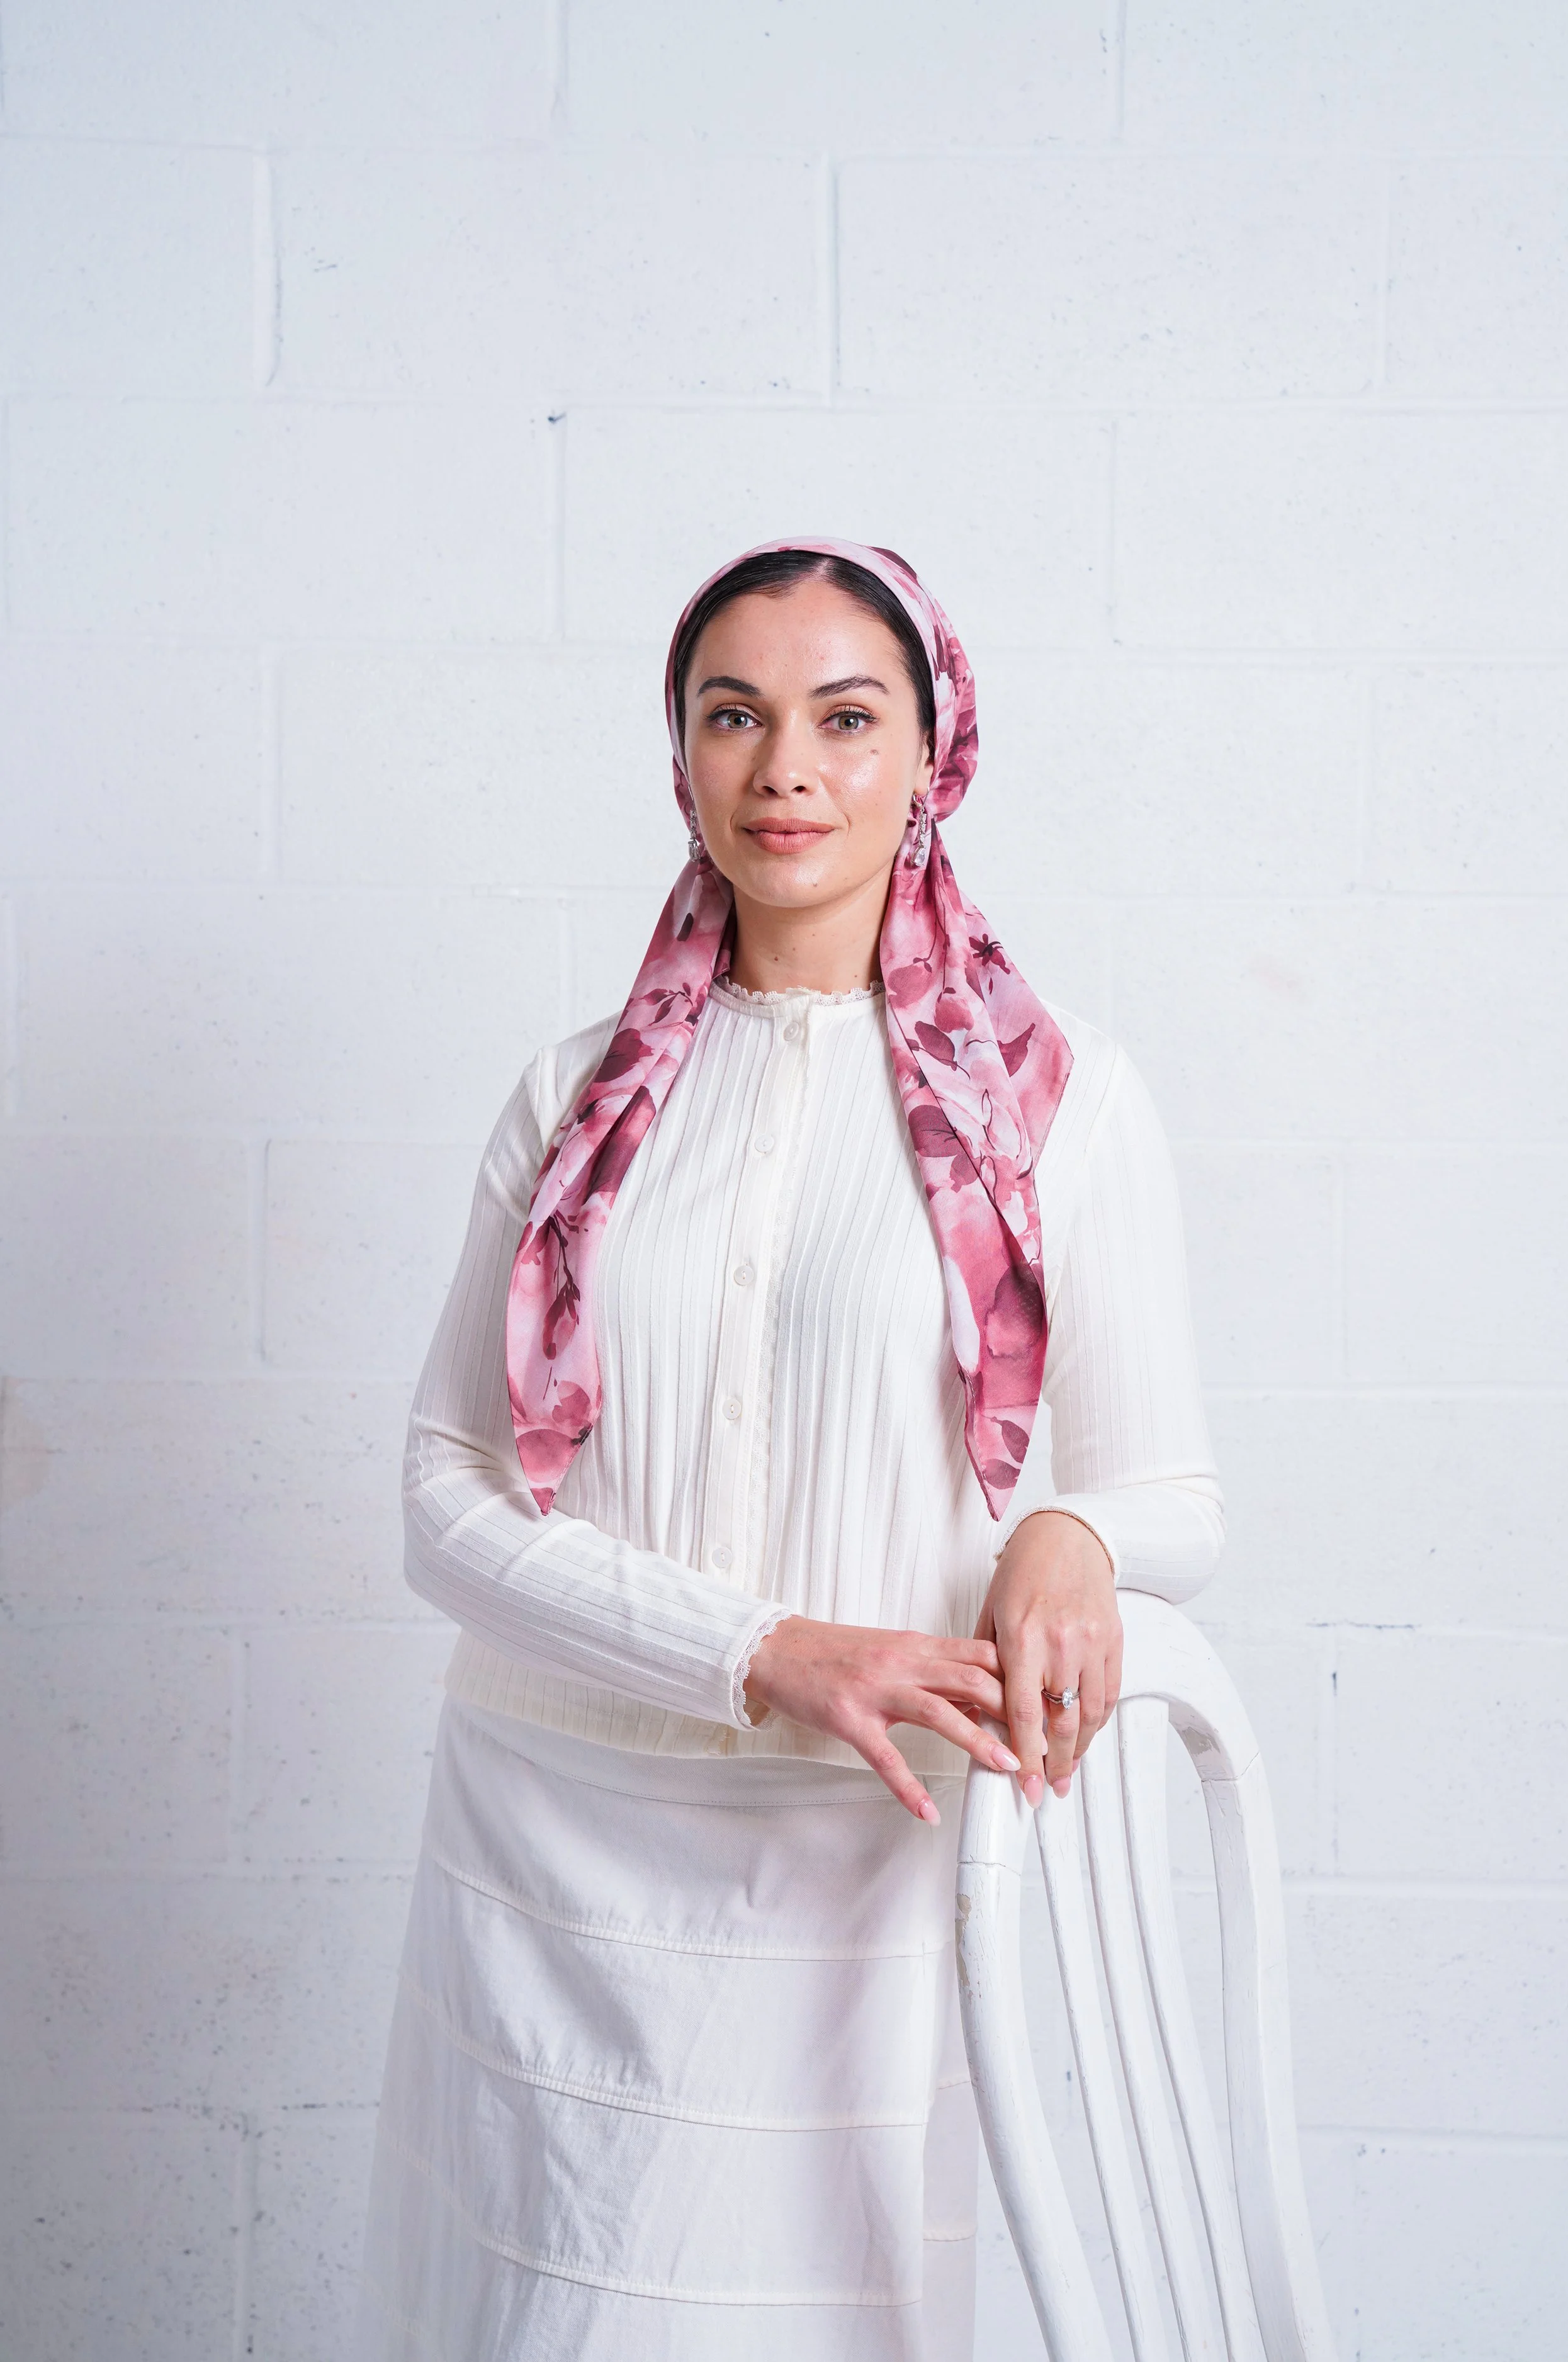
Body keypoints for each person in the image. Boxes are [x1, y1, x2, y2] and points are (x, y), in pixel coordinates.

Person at [352, 538, 1224, 2361]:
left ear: (933, 751)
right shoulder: (570, 1094)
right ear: (680, 755)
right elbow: (444, 1501)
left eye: (845, 717)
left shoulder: (1060, 1105)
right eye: (734, 716)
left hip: (856, 1860)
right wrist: (760, 1649)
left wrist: (1068, 1530)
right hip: (542, 1841)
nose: (787, 772)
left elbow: (1173, 1499)